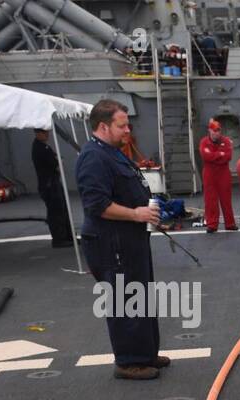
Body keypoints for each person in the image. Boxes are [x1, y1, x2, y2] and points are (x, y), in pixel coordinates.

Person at [74, 99, 168, 381]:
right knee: (124, 300)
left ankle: (146, 353)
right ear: (103, 126)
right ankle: (129, 362)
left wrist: (146, 210)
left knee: (140, 296)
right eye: (122, 125)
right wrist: (137, 213)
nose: (128, 130)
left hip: (129, 241)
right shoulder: (93, 157)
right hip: (111, 243)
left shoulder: (112, 153)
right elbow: (97, 205)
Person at [31, 129, 73, 248]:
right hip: (50, 185)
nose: (47, 135)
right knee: (56, 212)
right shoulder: (42, 149)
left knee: (61, 210)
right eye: (44, 133)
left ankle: (67, 236)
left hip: (50, 183)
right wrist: (59, 161)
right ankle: (60, 238)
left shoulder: (42, 147)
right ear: (38, 133)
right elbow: (57, 164)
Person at [198, 119, 236, 232]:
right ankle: (212, 224)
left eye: (218, 131)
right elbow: (206, 157)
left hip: (223, 173)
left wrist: (214, 156)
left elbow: (228, 157)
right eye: (214, 131)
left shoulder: (226, 141)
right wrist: (220, 154)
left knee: (226, 199)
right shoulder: (204, 142)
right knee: (210, 200)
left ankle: (230, 223)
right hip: (210, 174)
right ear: (209, 130)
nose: (216, 133)